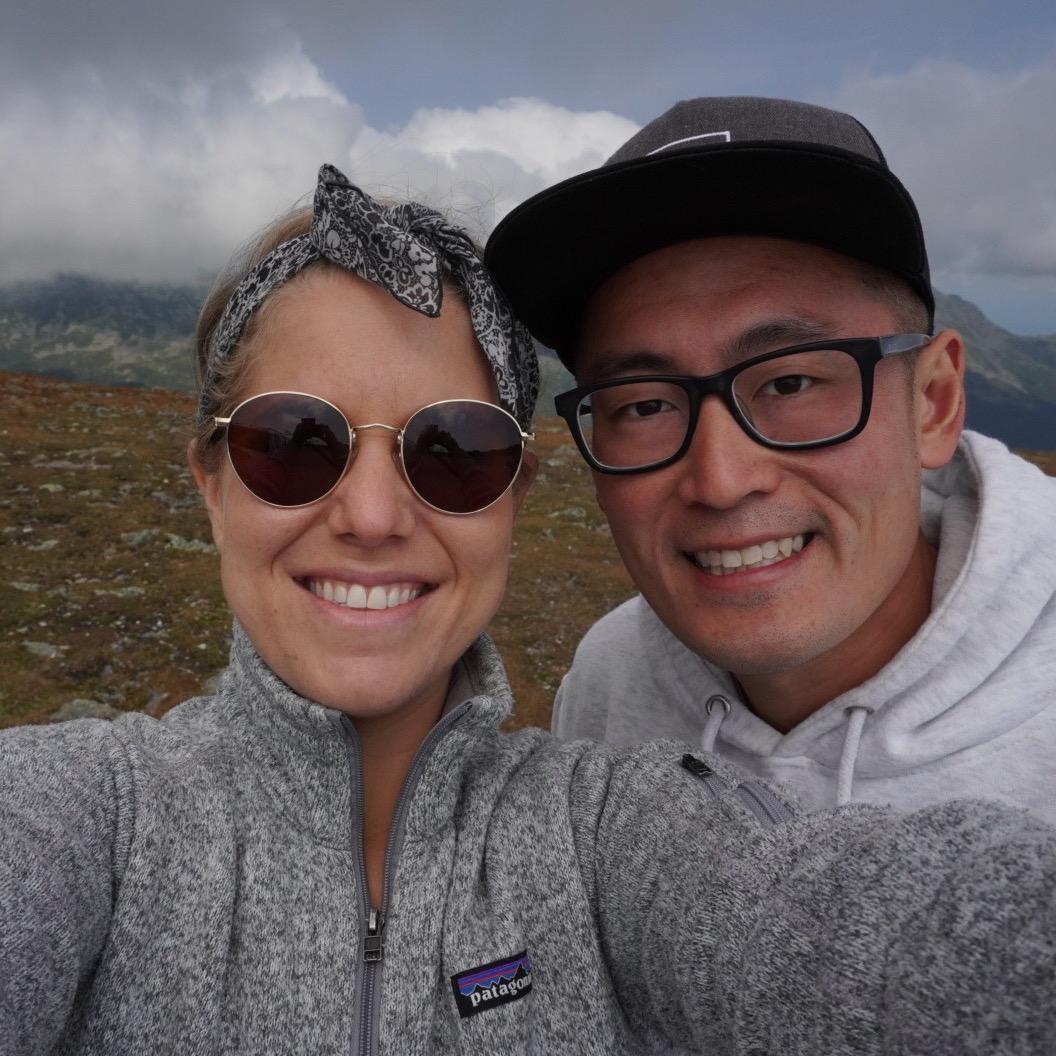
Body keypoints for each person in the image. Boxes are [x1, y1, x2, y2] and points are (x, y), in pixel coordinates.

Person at [2, 164, 1055, 1056]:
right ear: (210, 480)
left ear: (512, 498)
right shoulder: (88, 817)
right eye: (291, 442)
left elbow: (849, 931)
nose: (371, 515)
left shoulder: (604, 831)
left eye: (454, 451)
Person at [485, 96, 1056, 819]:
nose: (722, 481)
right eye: (645, 405)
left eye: (790, 383)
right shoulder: (609, 681)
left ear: (933, 402)